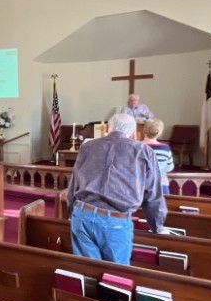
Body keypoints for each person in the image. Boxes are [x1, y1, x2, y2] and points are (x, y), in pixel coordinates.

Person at [66, 113, 167, 264]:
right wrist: (157, 226)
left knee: (87, 271)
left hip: (82, 214)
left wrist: (71, 211)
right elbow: (153, 193)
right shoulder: (143, 151)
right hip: (115, 220)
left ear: (107, 128)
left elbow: (74, 182)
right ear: (133, 133)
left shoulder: (88, 146)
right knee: (114, 276)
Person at [142, 118, 174, 195]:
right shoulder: (165, 148)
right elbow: (169, 167)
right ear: (159, 133)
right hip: (161, 185)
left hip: (141, 185)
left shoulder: (137, 146)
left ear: (144, 130)